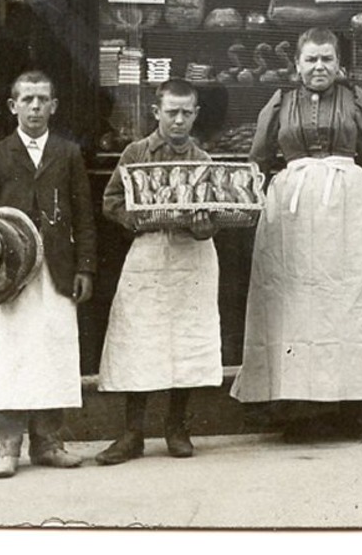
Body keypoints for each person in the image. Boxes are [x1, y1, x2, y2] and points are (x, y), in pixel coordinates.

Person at [231, 28, 362, 436]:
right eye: (311, 60)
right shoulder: (281, 102)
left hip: (347, 211)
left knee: (346, 304)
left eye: (326, 59)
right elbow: (258, 159)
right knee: (297, 307)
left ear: (339, 64)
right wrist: (257, 206)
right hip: (293, 211)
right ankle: (298, 412)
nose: (319, 67)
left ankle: (348, 411)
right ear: (297, 65)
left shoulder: (356, 99)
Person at [0, 71, 96, 479]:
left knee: (52, 353)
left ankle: (48, 443)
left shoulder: (68, 153)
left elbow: (83, 216)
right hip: (9, 275)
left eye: (43, 100)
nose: (36, 107)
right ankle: (5, 447)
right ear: (13, 106)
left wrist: (85, 267)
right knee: (6, 354)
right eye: (27, 100)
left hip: (55, 271)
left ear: (54, 106)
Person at [94, 79, 222, 464]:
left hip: (192, 258)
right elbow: (111, 200)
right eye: (172, 112)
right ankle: (132, 433)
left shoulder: (203, 161)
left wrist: (205, 224)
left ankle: (176, 427)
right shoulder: (136, 153)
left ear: (196, 114)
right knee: (140, 339)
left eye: (186, 113)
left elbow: (214, 211)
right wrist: (140, 218)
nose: (179, 120)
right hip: (148, 254)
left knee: (186, 339)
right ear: (156, 112)